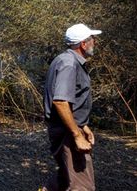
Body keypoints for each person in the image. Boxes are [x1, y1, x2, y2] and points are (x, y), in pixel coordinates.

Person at [42, 23, 102, 191]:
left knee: (65, 177)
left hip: (69, 128)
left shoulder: (67, 60)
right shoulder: (69, 65)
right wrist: (76, 135)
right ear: (83, 44)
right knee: (82, 186)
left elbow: (71, 101)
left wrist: (83, 125)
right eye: (92, 39)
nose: (94, 42)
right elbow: (61, 102)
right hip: (67, 132)